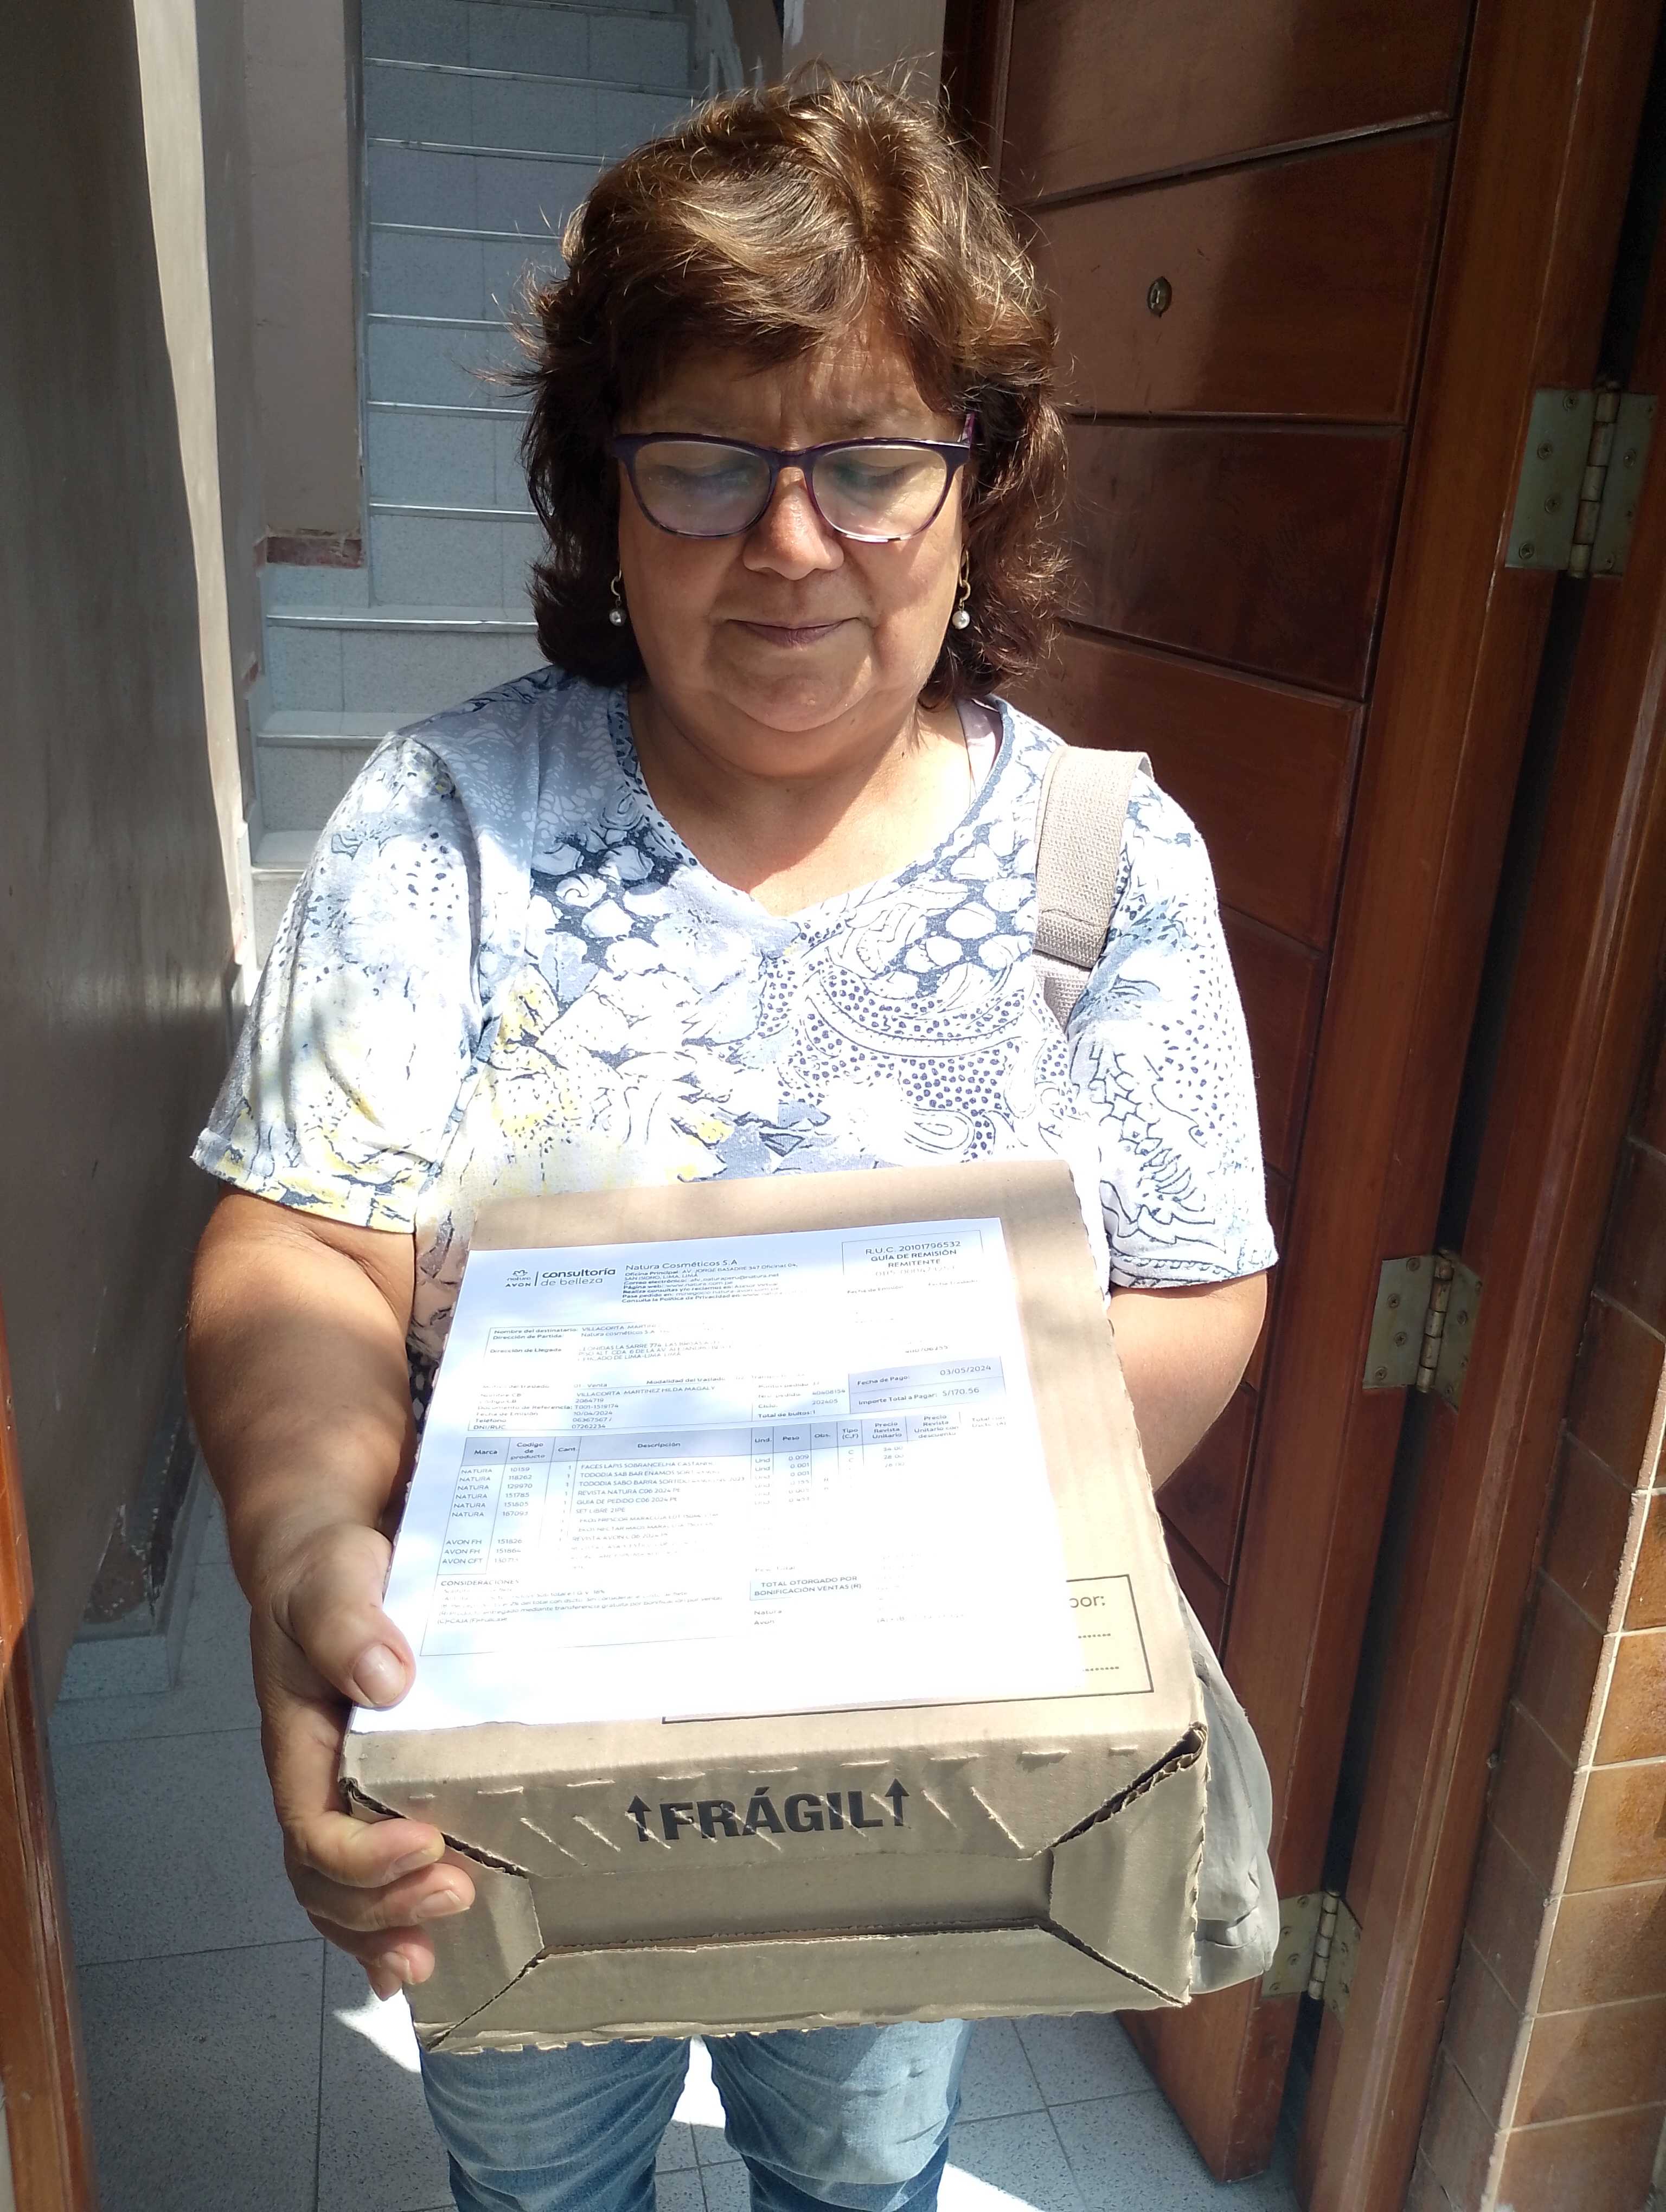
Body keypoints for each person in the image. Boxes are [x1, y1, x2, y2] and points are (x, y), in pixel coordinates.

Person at [185, 73, 1276, 2212]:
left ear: (979, 481)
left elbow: (1189, 1279)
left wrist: (920, 1540)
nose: (790, 543)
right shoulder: (444, 831)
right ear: (603, 488)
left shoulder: (1106, 867)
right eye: (703, 461)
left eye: (870, 462)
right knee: (539, 2176)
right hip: (506, 1785)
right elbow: (303, 1244)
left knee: (857, 2169)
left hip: (916, 1765)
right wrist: (305, 1540)